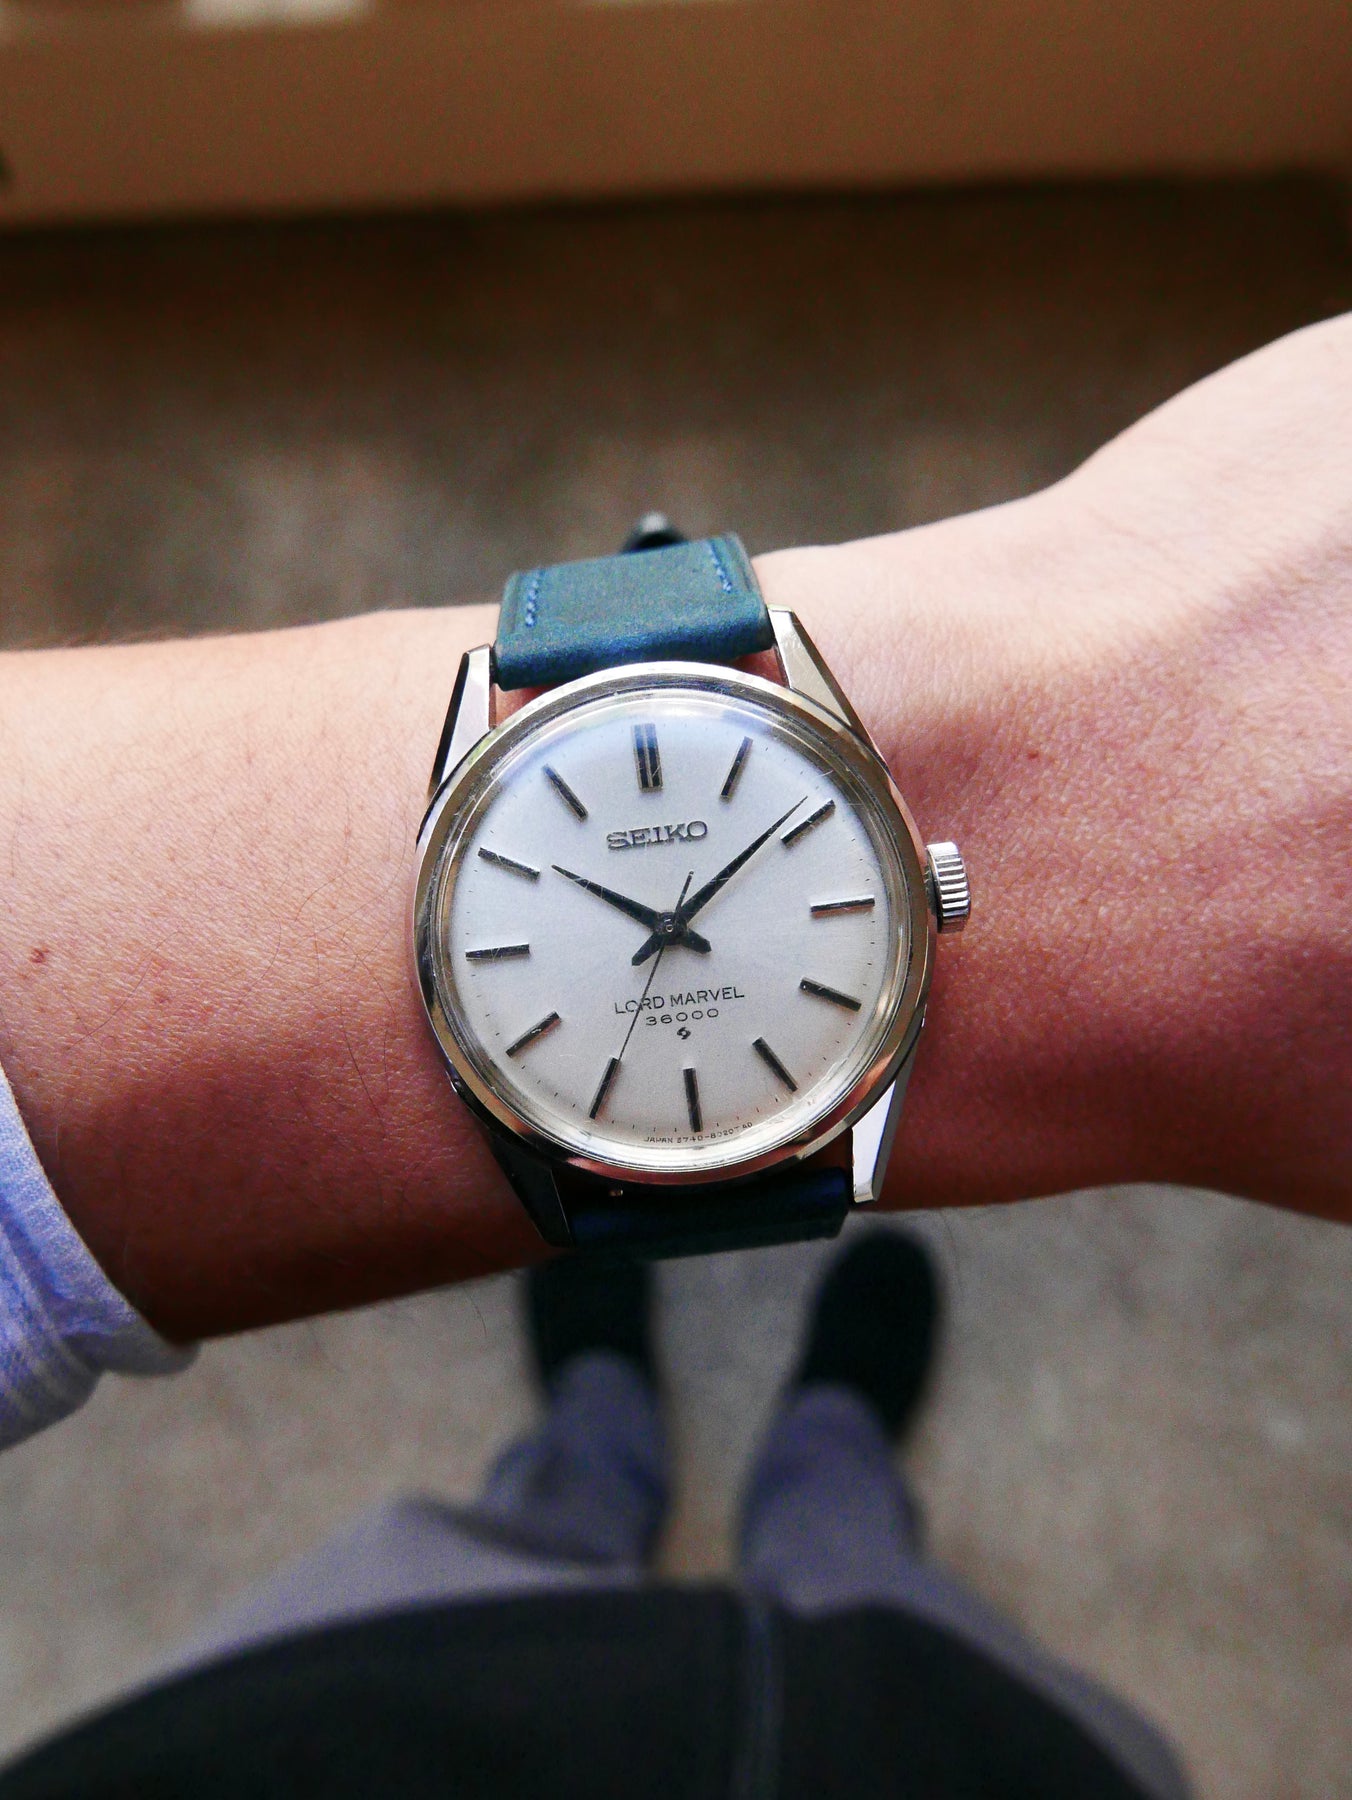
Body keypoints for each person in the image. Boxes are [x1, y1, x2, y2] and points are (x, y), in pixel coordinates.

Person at [0, 312, 1348, 1793]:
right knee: (864, 1569)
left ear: (933, 886)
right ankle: (831, 1467)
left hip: (367, 1728)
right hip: (947, 1749)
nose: (670, 930)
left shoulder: (855, 869)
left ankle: (592, 1452)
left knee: (502, 1548)